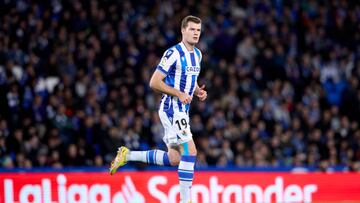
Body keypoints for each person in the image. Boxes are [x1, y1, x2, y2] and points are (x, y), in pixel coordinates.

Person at [109, 15, 207, 203]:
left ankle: (127, 155)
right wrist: (178, 94)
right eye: (192, 29)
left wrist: (196, 92)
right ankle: (186, 200)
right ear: (183, 30)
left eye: (198, 30)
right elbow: (154, 82)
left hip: (182, 110)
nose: (196, 33)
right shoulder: (173, 53)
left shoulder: (198, 55)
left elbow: (189, 79)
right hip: (172, 108)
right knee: (191, 152)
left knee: (174, 159)